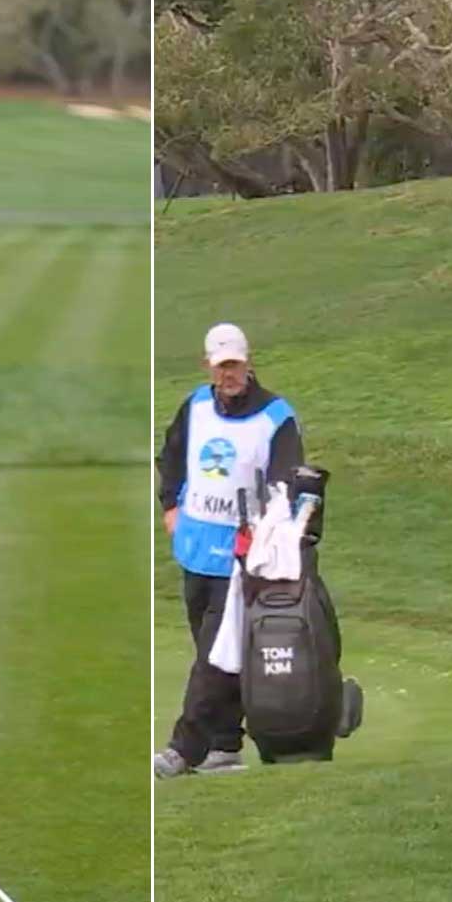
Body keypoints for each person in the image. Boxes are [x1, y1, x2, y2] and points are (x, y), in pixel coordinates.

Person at [153, 323, 304, 778]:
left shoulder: (276, 416)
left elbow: (287, 481)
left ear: (248, 361)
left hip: (241, 556)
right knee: (212, 646)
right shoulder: (196, 406)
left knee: (213, 655)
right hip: (194, 548)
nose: (229, 374)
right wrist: (170, 505)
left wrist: (267, 533)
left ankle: (185, 749)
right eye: (221, 367)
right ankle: (225, 746)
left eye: (235, 365)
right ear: (209, 367)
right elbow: (172, 456)